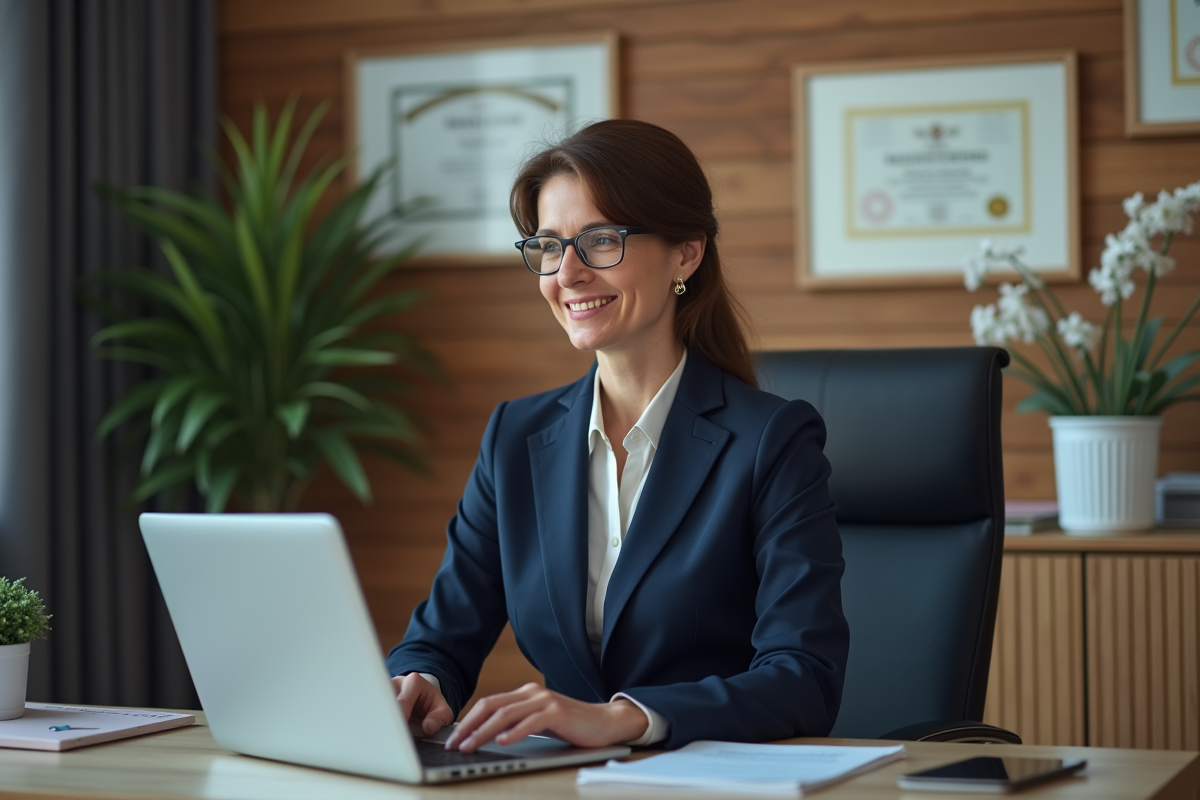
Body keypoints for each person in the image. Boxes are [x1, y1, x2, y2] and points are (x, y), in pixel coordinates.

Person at [387, 119, 848, 752]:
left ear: (686, 252)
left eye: (600, 240)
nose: (567, 273)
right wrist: (420, 680)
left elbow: (804, 680)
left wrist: (623, 718)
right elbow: (441, 635)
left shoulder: (772, 439)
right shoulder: (515, 437)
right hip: (560, 783)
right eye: (549, 247)